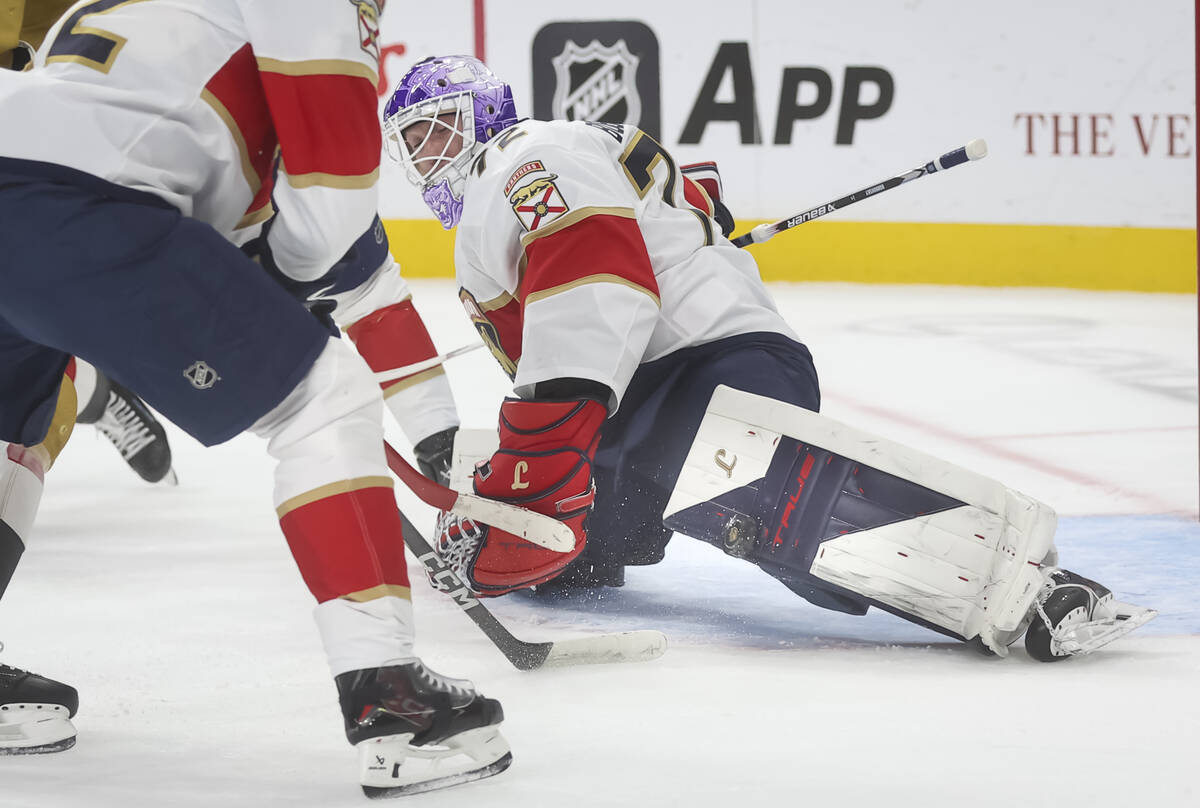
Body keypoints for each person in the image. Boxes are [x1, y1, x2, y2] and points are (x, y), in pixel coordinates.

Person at [380, 55, 1155, 663]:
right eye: (411, 144)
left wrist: (544, 455)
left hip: (707, 363)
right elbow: (669, 200)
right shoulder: (531, 171)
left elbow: (595, 282)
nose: (426, 154)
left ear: (486, 112)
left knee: (773, 513)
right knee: (570, 551)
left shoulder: (521, 155)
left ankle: (1036, 590)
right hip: (645, 391)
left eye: (437, 129)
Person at [0, 4, 509, 795]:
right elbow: (334, 194)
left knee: (14, 432)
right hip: (78, 208)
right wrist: (283, 278)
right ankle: (392, 703)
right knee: (325, 400)